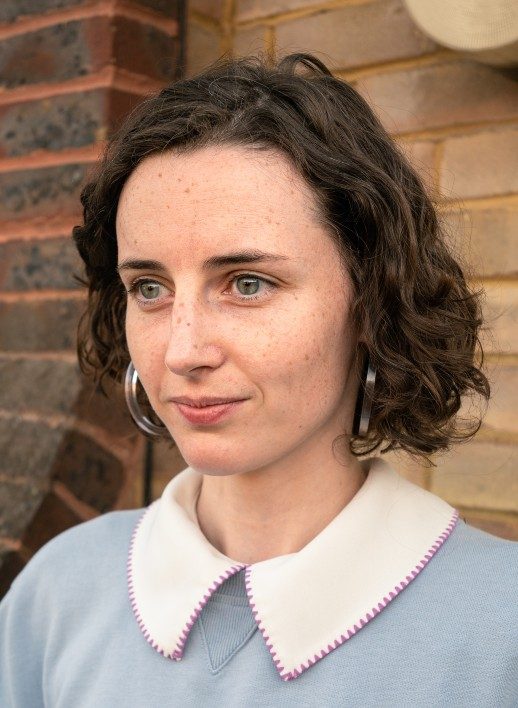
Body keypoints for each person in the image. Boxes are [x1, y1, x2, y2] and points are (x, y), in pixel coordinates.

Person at [0, 52, 516, 707]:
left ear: (371, 300)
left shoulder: (502, 631)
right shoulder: (57, 592)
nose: (183, 350)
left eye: (248, 283)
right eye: (150, 287)